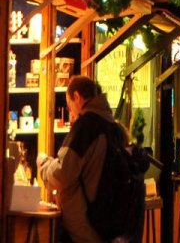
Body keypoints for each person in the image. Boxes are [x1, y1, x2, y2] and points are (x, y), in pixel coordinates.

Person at [39, 76, 142, 243]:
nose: (70, 112)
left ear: (78, 97)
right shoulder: (114, 128)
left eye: (69, 104)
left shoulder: (86, 127)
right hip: (109, 223)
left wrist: (43, 164)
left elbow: (63, 174)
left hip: (87, 225)